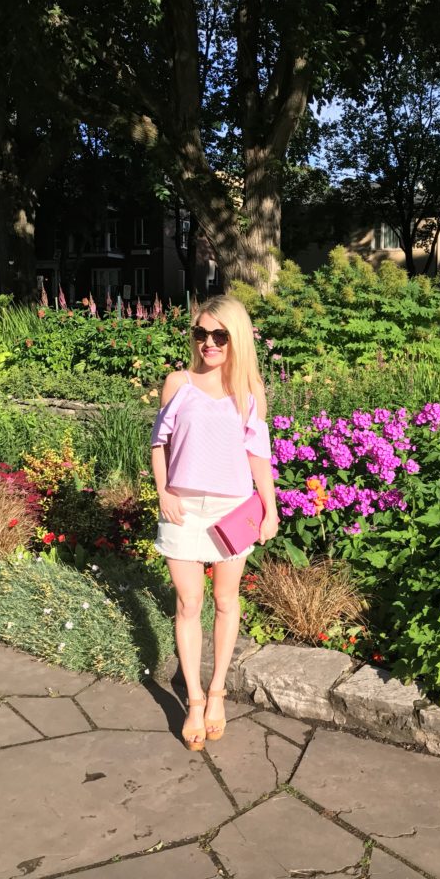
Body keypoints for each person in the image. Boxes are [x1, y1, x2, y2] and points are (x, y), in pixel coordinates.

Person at [150, 295, 279, 750]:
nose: (208, 343)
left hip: (232, 511)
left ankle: (219, 692)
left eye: (219, 335)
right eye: (201, 334)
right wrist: (163, 492)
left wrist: (270, 507)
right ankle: (195, 699)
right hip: (182, 510)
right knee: (189, 603)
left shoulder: (249, 390)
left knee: (225, 600)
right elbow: (159, 444)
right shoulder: (177, 384)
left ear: (236, 337)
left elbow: (258, 456)